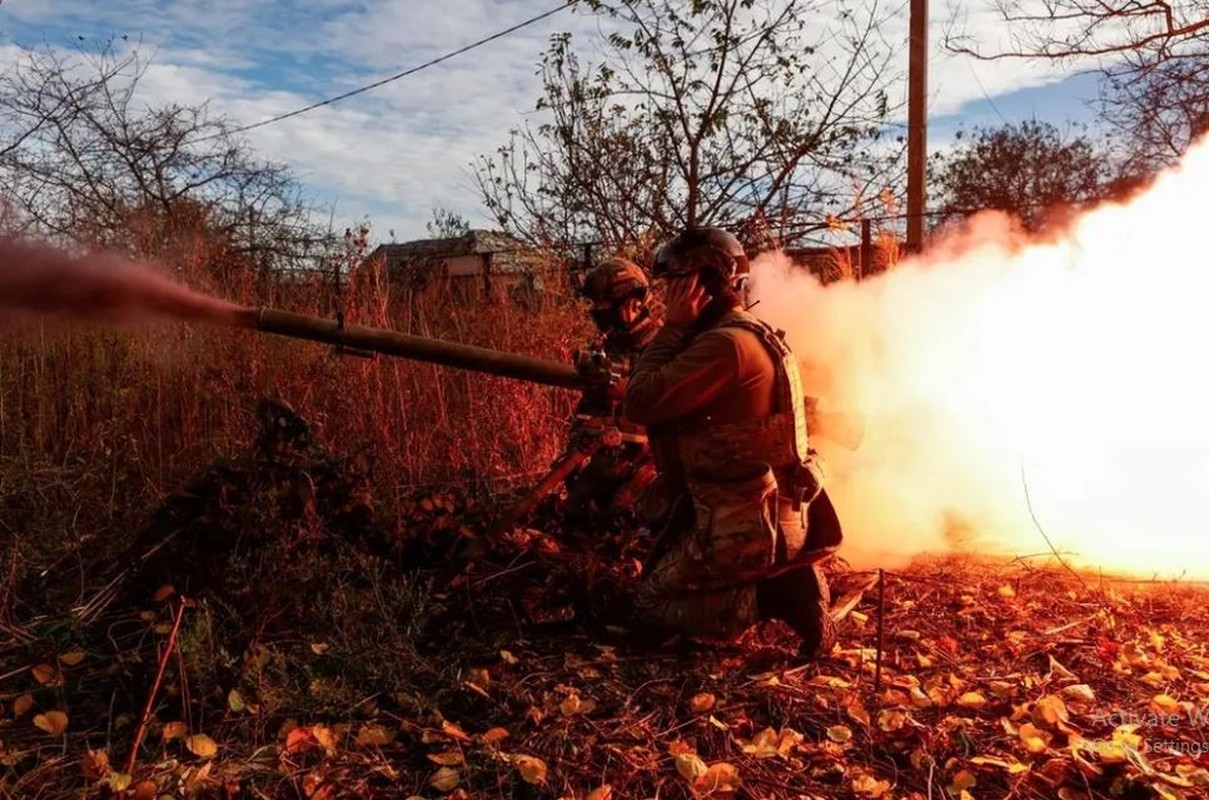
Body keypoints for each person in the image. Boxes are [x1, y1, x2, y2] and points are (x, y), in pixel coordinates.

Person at [621, 227, 843, 659]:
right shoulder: (750, 333)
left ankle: (778, 596)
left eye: (673, 285)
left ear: (697, 285)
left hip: (744, 529)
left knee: (649, 603)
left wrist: (672, 328)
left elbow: (640, 401)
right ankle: (778, 579)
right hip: (767, 517)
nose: (666, 297)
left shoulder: (724, 346)